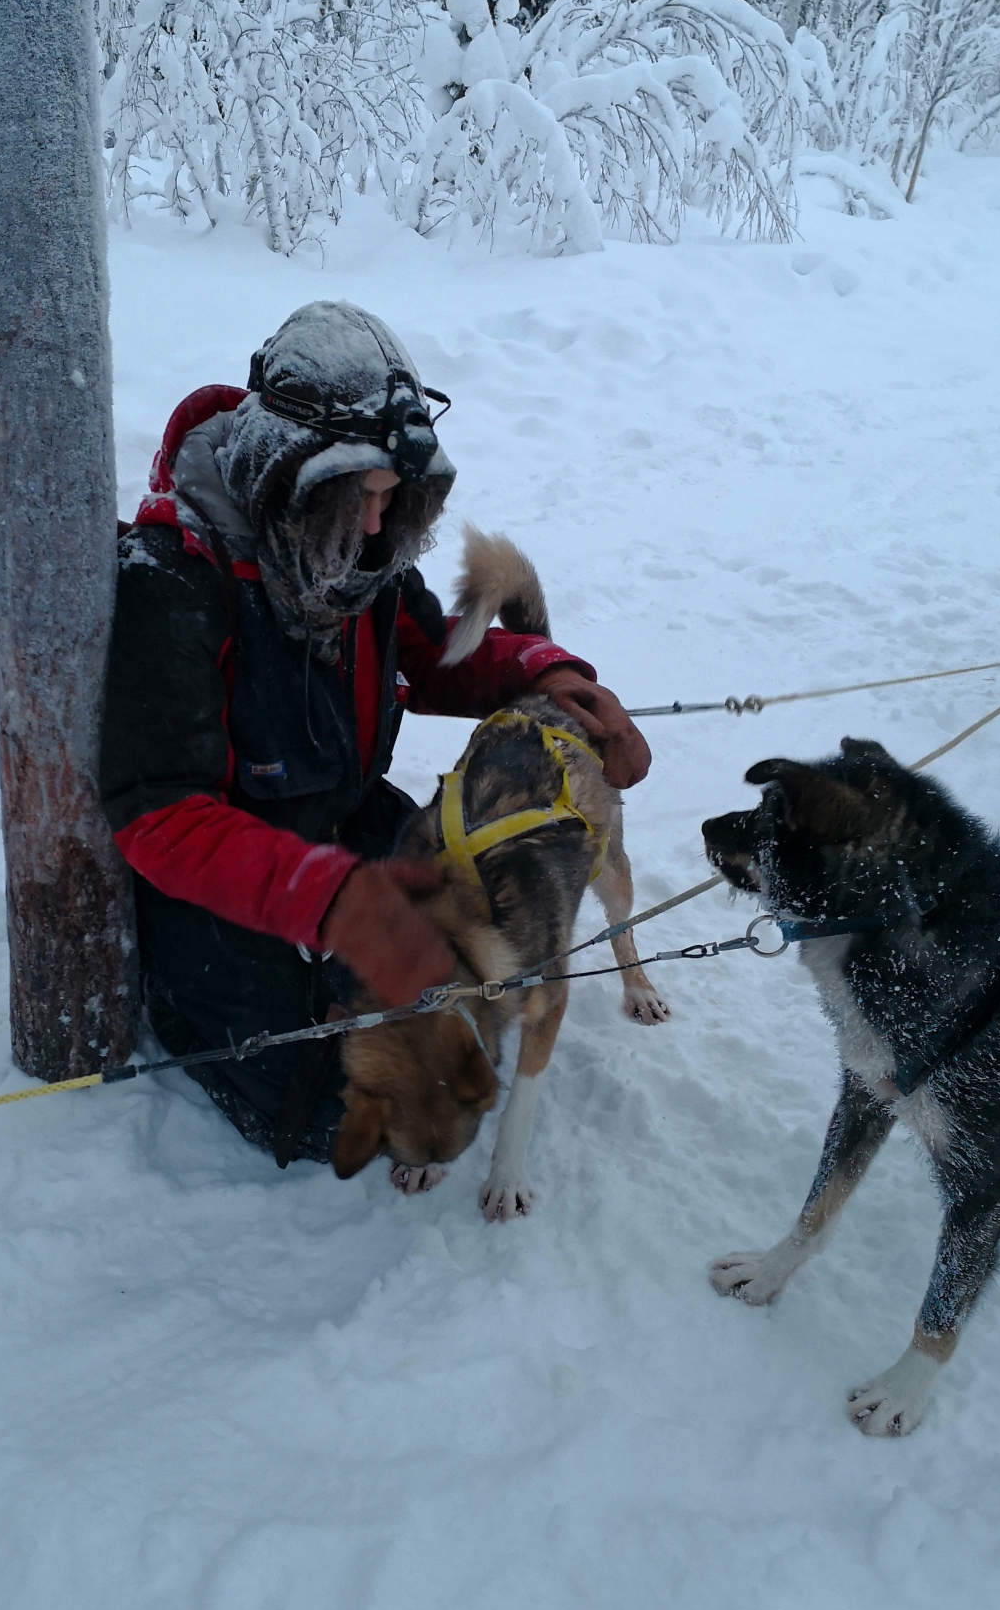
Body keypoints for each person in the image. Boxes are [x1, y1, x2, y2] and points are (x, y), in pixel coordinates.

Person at [100, 302, 650, 1167]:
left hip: (339, 822)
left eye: (392, 504)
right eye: (362, 500)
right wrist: (333, 901)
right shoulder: (174, 581)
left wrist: (553, 676)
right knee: (331, 1114)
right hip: (220, 871)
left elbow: (434, 660)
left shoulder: (356, 559)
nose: (372, 528)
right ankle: (185, 1014)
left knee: (455, 1012)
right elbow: (159, 815)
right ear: (295, 475)